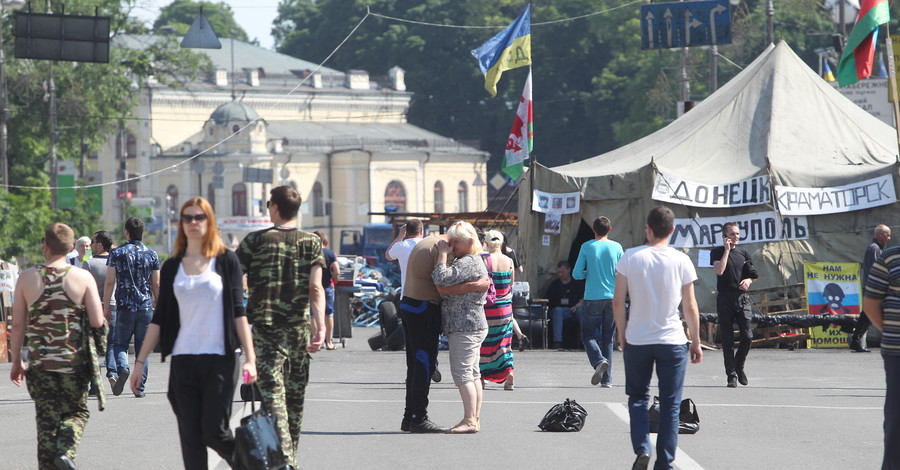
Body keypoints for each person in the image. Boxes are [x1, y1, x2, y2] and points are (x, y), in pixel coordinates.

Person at [130, 197, 258, 469]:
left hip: (220, 359)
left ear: (209, 221)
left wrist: (250, 358)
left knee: (214, 432)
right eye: (187, 218)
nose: (193, 222)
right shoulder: (172, 266)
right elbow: (160, 318)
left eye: (199, 217)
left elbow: (239, 312)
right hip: (184, 360)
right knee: (191, 439)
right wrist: (139, 363)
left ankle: (255, 466)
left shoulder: (226, 261)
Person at [236, 185, 326, 466]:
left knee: (273, 398)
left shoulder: (254, 241)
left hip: (265, 332)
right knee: (294, 403)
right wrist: (320, 327)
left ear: (274, 206)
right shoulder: (312, 241)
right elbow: (316, 288)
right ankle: (288, 460)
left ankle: (284, 461)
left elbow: (232, 282)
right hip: (299, 331)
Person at [612, 206, 703, 470]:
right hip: (672, 340)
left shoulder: (630, 256)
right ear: (673, 230)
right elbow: (690, 306)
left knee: (638, 398)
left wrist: (621, 332)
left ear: (648, 230)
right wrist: (695, 340)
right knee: (671, 404)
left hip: (638, 339)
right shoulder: (682, 260)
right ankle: (665, 462)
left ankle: (642, 448)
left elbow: (618, 300)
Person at [9, 223, 105, 469]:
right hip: (74, 363)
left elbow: (18, 324)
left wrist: (17, 359)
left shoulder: (26, 278)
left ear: (45, 245)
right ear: (72, 248)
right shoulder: (83, 277)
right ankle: (65, 451)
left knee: (46, 423)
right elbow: (97, 320)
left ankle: (49, 463)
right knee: (77, 412)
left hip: (41, 366)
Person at [397, 229, 488, 433]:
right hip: (423, 308)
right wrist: (477, 284)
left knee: (416, 364)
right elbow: (442, 283)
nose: (454, 249)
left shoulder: (429, 242)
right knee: (423, 365)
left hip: (411, 304)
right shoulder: (441, 249)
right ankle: (418, 417)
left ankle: (410, 416)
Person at [432, 221, 489, 433]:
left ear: (470, 242)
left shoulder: (467, 262)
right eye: (450, 240)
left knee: (463, 374)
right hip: (472, 323)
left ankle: (469, 420)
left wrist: (442, 255)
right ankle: (474, 418)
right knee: (473, 374)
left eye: (456, 241)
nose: (451, 244)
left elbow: (440, 278)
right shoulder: (473, 260)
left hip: (464, 324)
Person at [104, 217, 160, 398]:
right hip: (145, 307)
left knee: (120, 344)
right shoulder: (151, 254)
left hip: (124, 307)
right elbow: (156, 284)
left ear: (126, 232)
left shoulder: (117, 253)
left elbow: (110, 281)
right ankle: (139, 388)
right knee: (143, 348)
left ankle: (123, 368)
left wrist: (106, 306)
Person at [573, 216, 624, 387]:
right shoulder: (617, 246)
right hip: (612, 297)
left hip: (592, 297)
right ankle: (607, 380)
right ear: (610, 230)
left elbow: (576, 273)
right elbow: (622, 271)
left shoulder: (587, 246)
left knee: (587, 335)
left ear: (593, 230)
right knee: (608, 338)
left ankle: (598, 360)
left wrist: (589, 273)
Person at [862, 242, 900, 470]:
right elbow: (871, 303)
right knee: (897, 419)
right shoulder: (890, 258)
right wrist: (891, 332)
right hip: (897, 352)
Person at [711, 222, 758, 388]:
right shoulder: (717, 252)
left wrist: (748, 281)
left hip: (742, 298)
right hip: (724, 298)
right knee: (728, 339)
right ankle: (731, 375)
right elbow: (719, 271)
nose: (735, 237)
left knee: (747, 337)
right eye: (732, 234)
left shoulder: (744, 253)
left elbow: (753, 275)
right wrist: (726, 250)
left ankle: (739, 365)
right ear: (725, 236)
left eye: (737, 234)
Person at [479, 230, 517, 390]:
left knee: (485, 343)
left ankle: (482, 377)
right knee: (504, 342)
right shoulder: (508, 260)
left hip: (488, 308)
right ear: (501, 243)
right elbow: (511, 284)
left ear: (486, 243)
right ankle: (509, 373)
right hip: (505, 308)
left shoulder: (483, 259)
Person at [83, 231, 117, 384]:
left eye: (92, 241)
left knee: (93, 347)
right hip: (113, 306)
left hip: (94, 308)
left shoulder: (89, 263)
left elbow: (83, 288)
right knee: (111, 343)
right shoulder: (115, 262)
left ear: (99, 245)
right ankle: (112, 373)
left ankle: (95, 385)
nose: (90, 245)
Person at [851, 224, 891, 353]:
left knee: (867, 315)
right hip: (875, 288)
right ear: (880, 235)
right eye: (888, 235)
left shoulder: (877, 248)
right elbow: (876, 270)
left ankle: (856, 341)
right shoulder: (874, 248)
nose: (889, 238)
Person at [544, 260, 585, 351]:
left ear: (569, 270)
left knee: (582, 311)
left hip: (574, 309)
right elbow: (548, 299)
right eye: (559, 272)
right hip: (561, 311)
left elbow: (583, 300)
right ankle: (557, 342)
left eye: (562, 272)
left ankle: (585, 340)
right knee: (557, 311)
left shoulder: (576, 283)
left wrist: (576, 306)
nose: (560, 274)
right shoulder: (555, 284)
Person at [313, 231, 341, 350]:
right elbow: (337, 270)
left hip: (314, 287)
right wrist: (334, 279)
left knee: (313, 313)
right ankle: (329, 342)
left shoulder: (311, 253)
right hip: (327, 286)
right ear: (326, 242)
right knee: (328, 313)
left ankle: (316, 342)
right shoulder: (330, 253)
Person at [386, 218, 424, 299]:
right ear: (421, 231)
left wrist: (400, 235)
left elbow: (388, 255)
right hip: (426, 296)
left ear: (406, 231)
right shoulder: (429, 245)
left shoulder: (401, 246)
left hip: (407, 296)